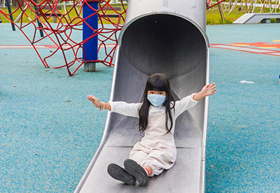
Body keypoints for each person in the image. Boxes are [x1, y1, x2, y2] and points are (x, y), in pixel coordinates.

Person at [87, 73, 217, 186]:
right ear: (147, 93)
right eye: (152, 92)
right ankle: (130, 175)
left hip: (164, 146)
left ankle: (144, 172)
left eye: (160, 93)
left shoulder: (172, 108)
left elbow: (188, 101)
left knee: (156, 158)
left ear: (167, 94)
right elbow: (123, 107)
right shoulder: (143, 109)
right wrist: (102, 105)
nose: (156, 96)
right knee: (137, 156)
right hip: (146, 144)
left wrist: (202, 94)